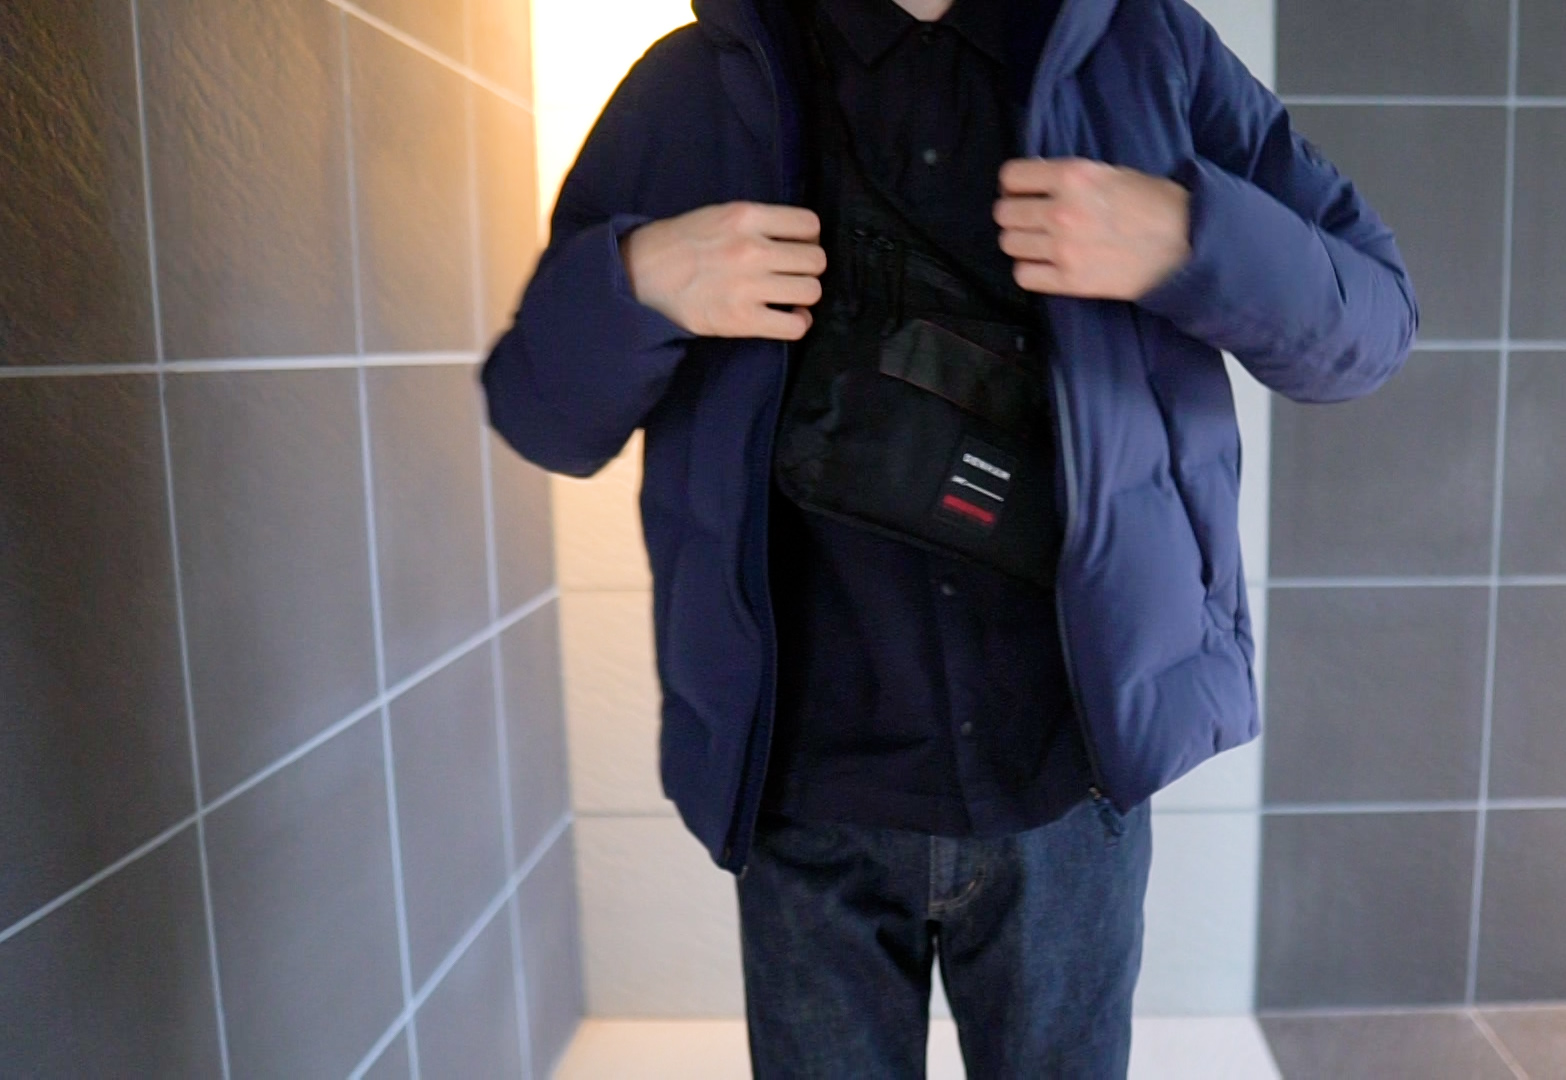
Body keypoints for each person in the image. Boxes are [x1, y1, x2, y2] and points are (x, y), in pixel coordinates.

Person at [483, 0, 1416, 1074]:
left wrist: (1188, 237)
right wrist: (641, 278)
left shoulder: (1149, 51)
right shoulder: (697, 85)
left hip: (1067, 778)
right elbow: (539, 412)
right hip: (804, 795)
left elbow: (1373, 324)